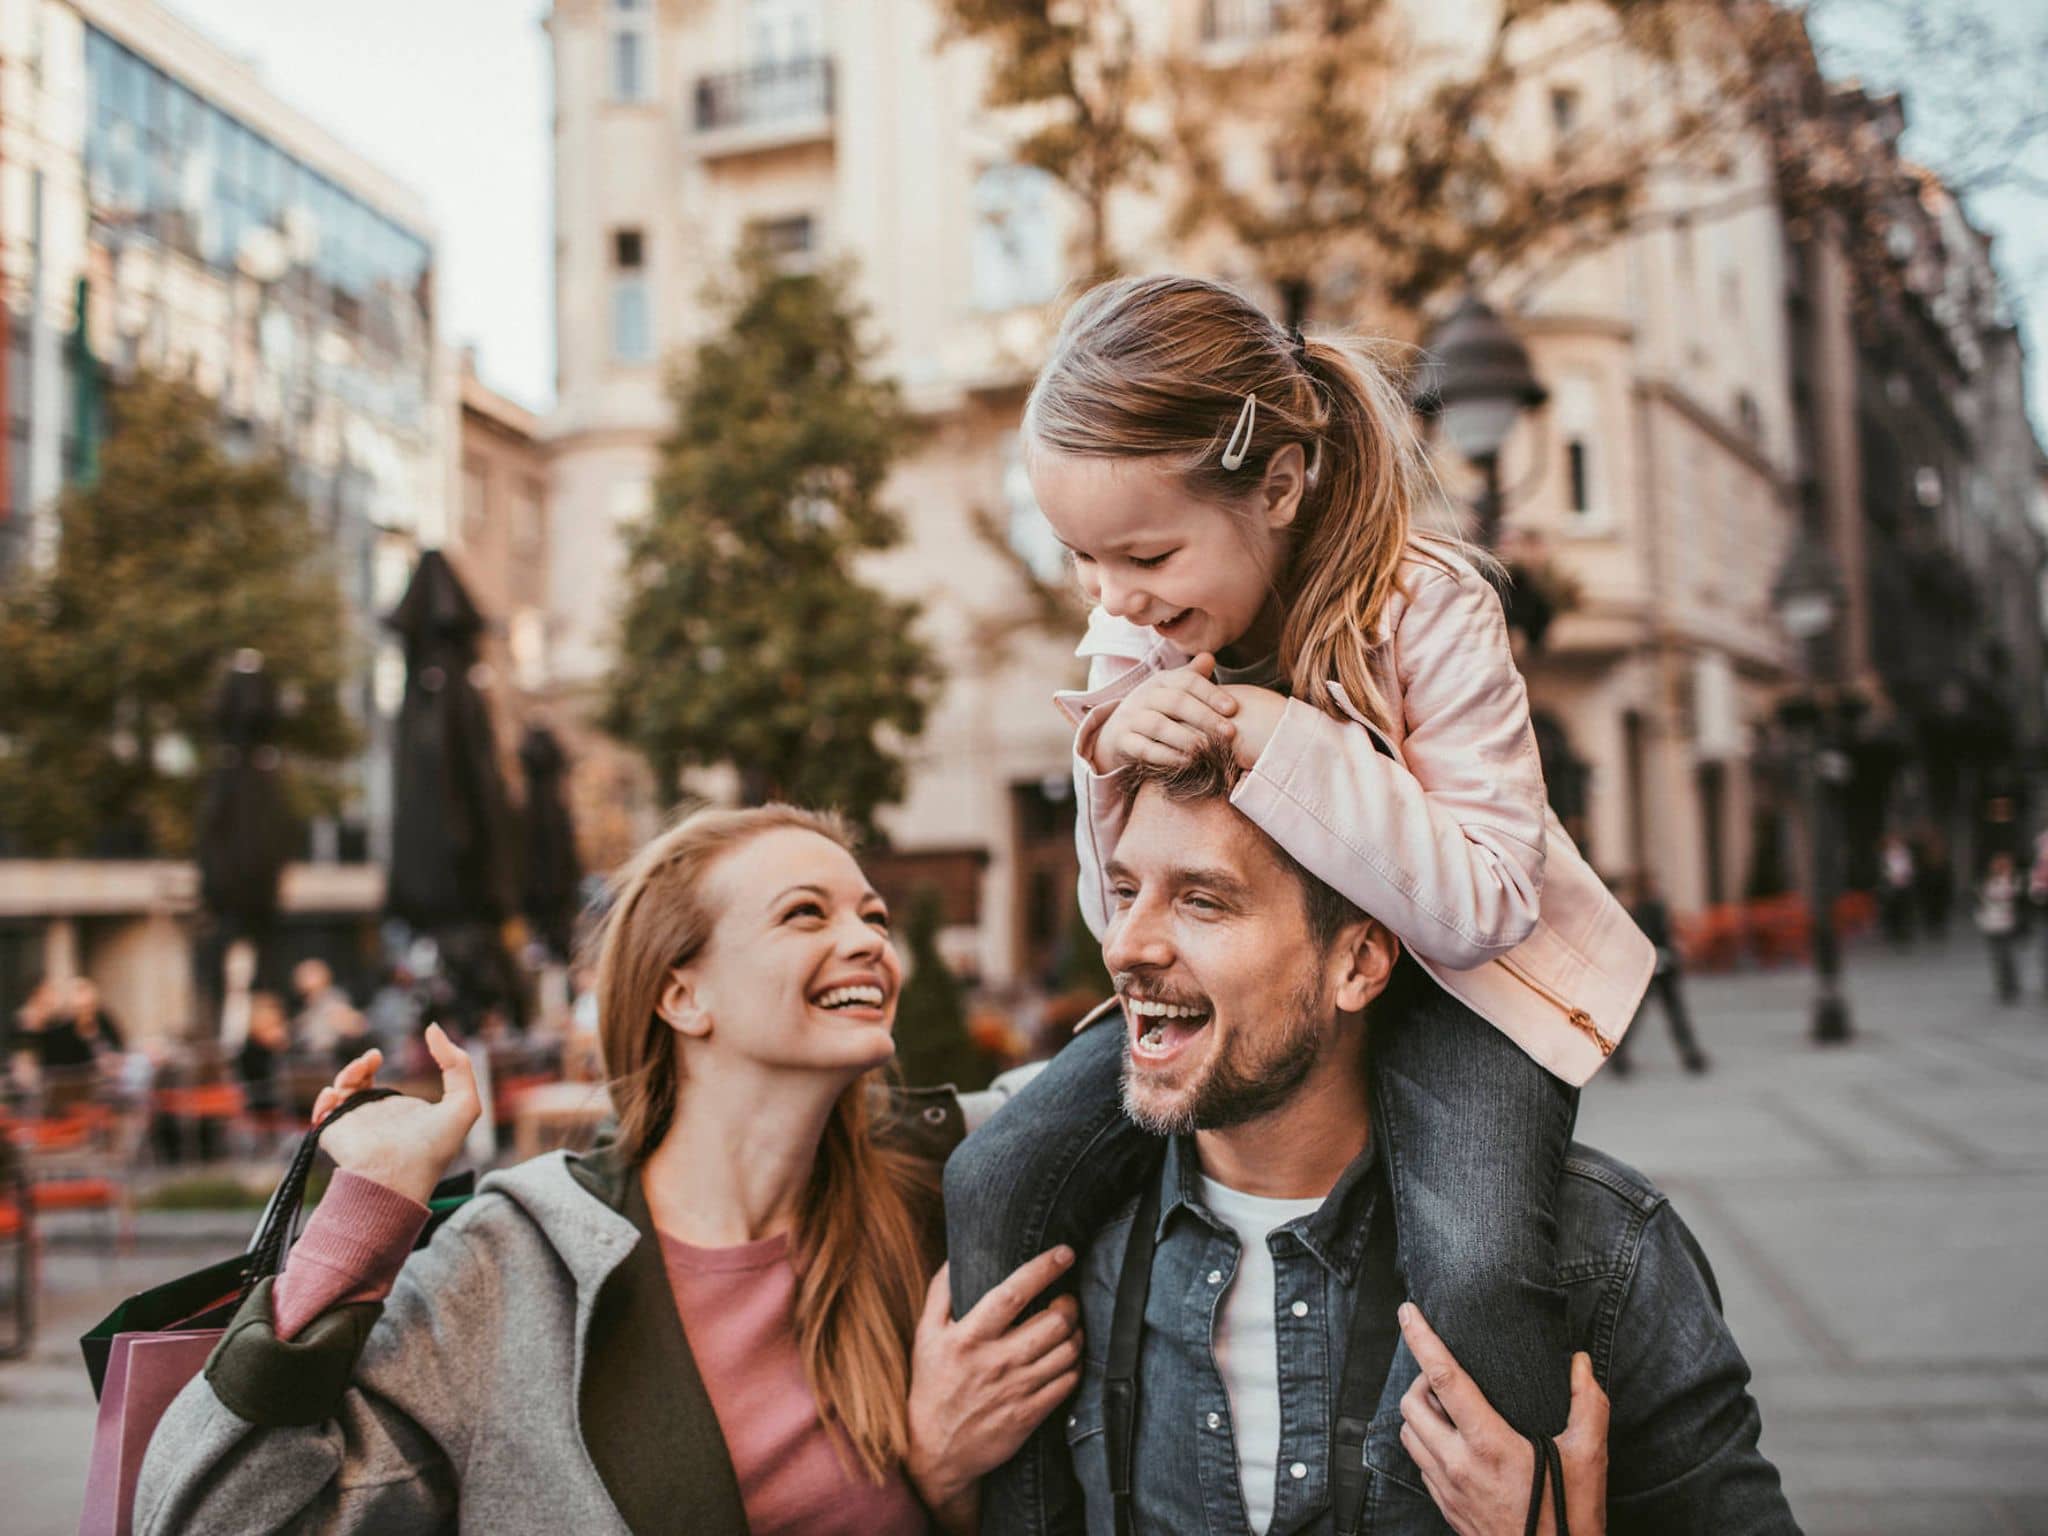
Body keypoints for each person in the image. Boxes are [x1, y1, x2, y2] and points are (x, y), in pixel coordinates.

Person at [949, 274, 1653, 1461]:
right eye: (1079, 560)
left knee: (1476, 1267)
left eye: (1145, 554)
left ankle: (1524, 1494)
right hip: (1246, 986)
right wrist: (1107, 760)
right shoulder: (1139, 622)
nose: (1111, 600)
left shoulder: (1428, 605)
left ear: (1275, 486)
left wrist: (1276, 736)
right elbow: (1112, 917)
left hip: (1457, 1001)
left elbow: (1485, 901)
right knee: (993, 1178)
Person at [138, 805, 1079, 1535]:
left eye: (873, 915)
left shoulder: (947, 1180)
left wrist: (945, 1481)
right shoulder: (511, 1270)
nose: (871, 939)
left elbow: (1136, 1054)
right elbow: (218, 1520)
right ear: (683, 993)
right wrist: (362, 1216)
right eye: (807, 914)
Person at [945, 743, 1798, 1534]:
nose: (1127, 945)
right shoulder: (1062, 1247)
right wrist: (928, 1474)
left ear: (1358, 964)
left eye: (1203, 900)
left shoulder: (1600, 1256)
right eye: (1126, 892)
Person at [1610, 874, 1707, 1076]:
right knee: (1669, 1014)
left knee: (1663, 1014)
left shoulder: (1642, 909)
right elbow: (1655, 936)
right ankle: (1691, 1056)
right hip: (1656, 967)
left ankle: (1690, 1055)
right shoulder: (1648, 909)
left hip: (1655, 968)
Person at [1976, 852, 2023, 1005]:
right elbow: (1984, 898)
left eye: (2001, 864)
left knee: (2006, 955)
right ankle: (2003, 985)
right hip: (1991, 923)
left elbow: (2010, 896)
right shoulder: (1989, 881)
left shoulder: (2013, 880)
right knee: (1997, 956)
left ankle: (2011, 985)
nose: (1997, 866)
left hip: (2006, 923)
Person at [1878, 833, 1916, 949]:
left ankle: (1904, 933)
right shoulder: (1885, 854)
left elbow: (1909, 868)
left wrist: (1905, 877)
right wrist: (1891, 878)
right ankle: (1893, 932)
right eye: (1891, 841)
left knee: (1904, 910)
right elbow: (1883, 870)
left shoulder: (1905, 853)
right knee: (1892, 910)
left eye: (1896, 841)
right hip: (1891, 886)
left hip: (1904, 886)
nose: (1894, 843)